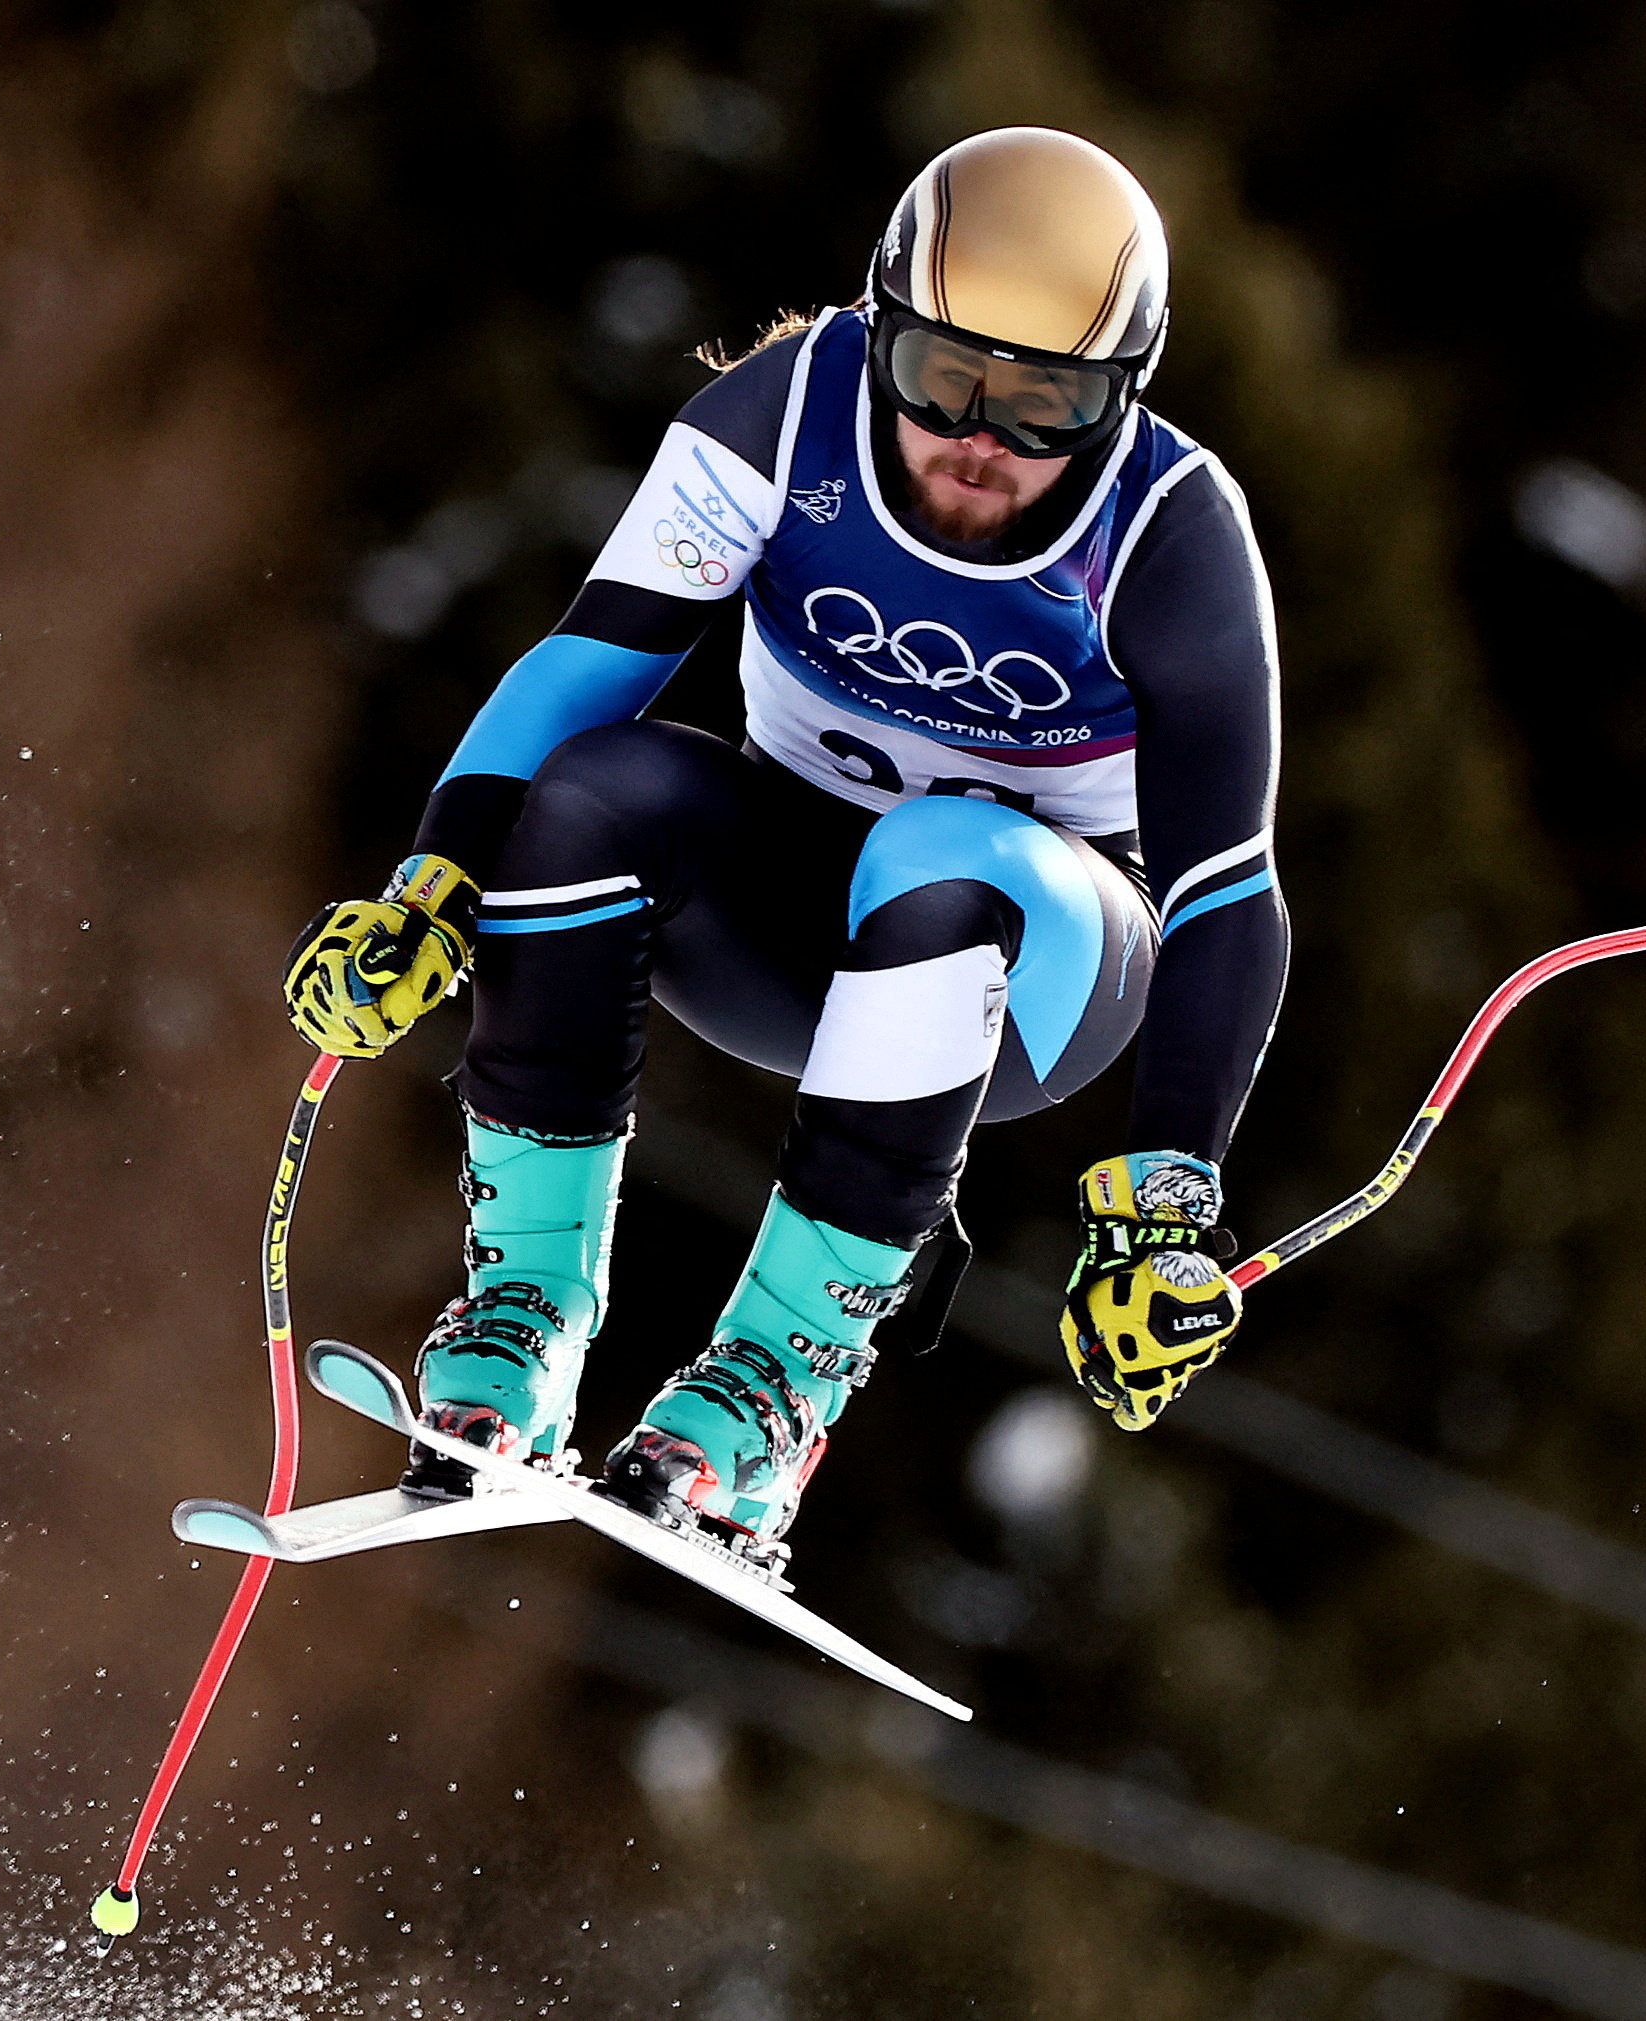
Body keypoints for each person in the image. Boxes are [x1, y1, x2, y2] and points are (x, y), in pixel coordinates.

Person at [284, 127, 1288, 1559]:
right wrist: (431, 886)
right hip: (775, 917)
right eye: (945, 379)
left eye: (1047, 405)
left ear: (1122, 398)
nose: (981, 443)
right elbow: (590, 658)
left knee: (944, 852)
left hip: (1036, 974)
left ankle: (773, 1391)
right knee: (593, 787)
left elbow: (1227, 891)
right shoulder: (785, 413)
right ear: (883, 325)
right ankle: (523, 1317)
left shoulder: (1171, 537)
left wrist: (1169, 1205)